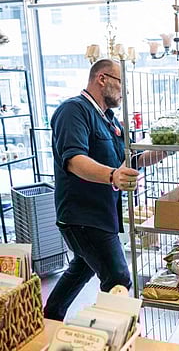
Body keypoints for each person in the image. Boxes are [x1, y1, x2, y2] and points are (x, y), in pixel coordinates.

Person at [44, 58, 166, 321]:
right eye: (121, 84)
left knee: (81, 268)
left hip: (103, 214)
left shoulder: (109, 119)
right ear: (102, 79)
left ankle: (48, 319)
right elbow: (75, 161)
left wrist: (164, 150)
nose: (124, 93)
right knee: (119, 278)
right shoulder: (73, 111)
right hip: (82, 216)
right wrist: (112, 176)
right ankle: (114, 338)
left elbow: (131, 159)